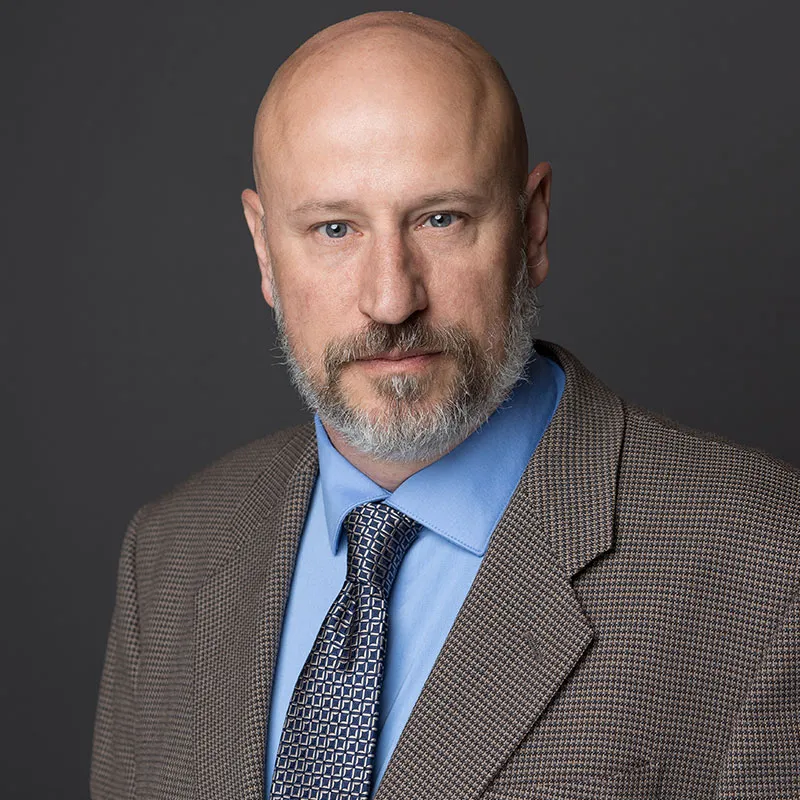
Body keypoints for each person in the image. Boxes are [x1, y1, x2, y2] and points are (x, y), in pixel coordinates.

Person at [91, 11, 799, 800]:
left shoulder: (768, 566)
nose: (391, 298)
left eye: (441, 219)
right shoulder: (169, 557)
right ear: (264, 248)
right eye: (334, 228)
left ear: (531, 227)